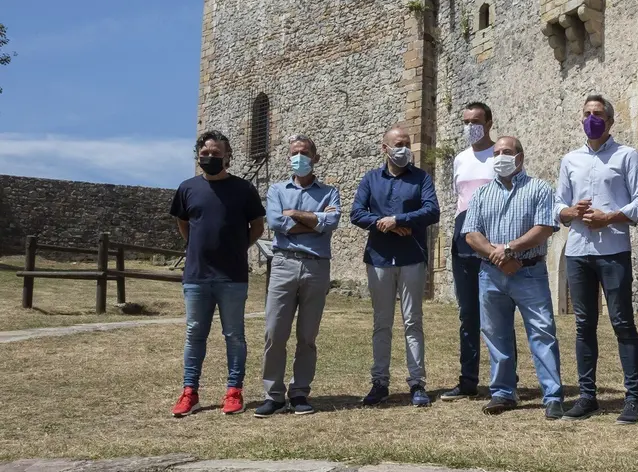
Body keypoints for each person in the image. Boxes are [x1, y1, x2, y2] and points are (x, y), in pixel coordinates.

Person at [555, 94, 638, 424]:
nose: (591, 119)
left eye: (597, 114)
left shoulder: (626, 156)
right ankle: (587, 395)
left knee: (622, 322)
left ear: (610, 121)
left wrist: (609, 218)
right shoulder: (570, 160)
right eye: (586, 114)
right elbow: (559, 204)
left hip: (613, 251)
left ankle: (633, 398)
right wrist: (569, 212)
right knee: (584, 325)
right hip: (578, 252)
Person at [463, 136, 563, 418]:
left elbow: (544, 227)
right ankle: (503, 393)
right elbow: (471, 233)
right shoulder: (481, 194)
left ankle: (552, 396)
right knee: (496, 334)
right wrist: (498, 256)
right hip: (491, 275)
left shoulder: (540, 189)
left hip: (529, 271)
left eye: (506, 151)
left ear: (520, 157)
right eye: (496, 153)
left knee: (542, 333)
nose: (500, 156)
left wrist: (509, 250)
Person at [169, 130, 265, 417]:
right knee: (194, 334)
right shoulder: (187, 188)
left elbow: (257, 227)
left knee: (234, 335)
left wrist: (237, 249)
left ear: (228, 157)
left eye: (216, 153)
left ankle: (234, 391)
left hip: (232, 276)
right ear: (198, 155)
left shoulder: (244, 189)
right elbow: (183, 223)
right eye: (205, 153)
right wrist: (195, 247)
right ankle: (189, 392)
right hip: (197, 276)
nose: (210, 157)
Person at [350, 126, 440, 408]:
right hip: (379, 258)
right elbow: (356, 213)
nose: (403, 148)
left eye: (407, 143)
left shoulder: (421, 178)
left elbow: (432, 210)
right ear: (384, 147)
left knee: (413, 321)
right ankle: (379, 382)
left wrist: (399, 219)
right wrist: (385, 225)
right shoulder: (370, 178)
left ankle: (417, 383)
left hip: (411, 258)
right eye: (398, 144)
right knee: (382, 323)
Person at [256, 135, 341, 417]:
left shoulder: (330, 192)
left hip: (316, 267)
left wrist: (296, 215)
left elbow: (333, 222)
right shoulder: (277, 190)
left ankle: (300, 392)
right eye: (295, 152)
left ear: (315, 158)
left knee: (307, 335)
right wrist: (314, 219)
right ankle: (274, 394)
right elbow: (276, 222)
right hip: (283, 264)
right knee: (274, 332)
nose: (299, 157)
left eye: (305, 153)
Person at [442, 102, 495, 402]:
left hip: (492, 238)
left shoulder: (499, 155)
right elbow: (459, 198)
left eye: (475, 121)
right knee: (468, 314)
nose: (470, 126)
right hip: (463, 238)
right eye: (465, 121)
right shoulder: (461, 159)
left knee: (497, 313)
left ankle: (504, 378)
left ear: (489, 122)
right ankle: (468, 380)